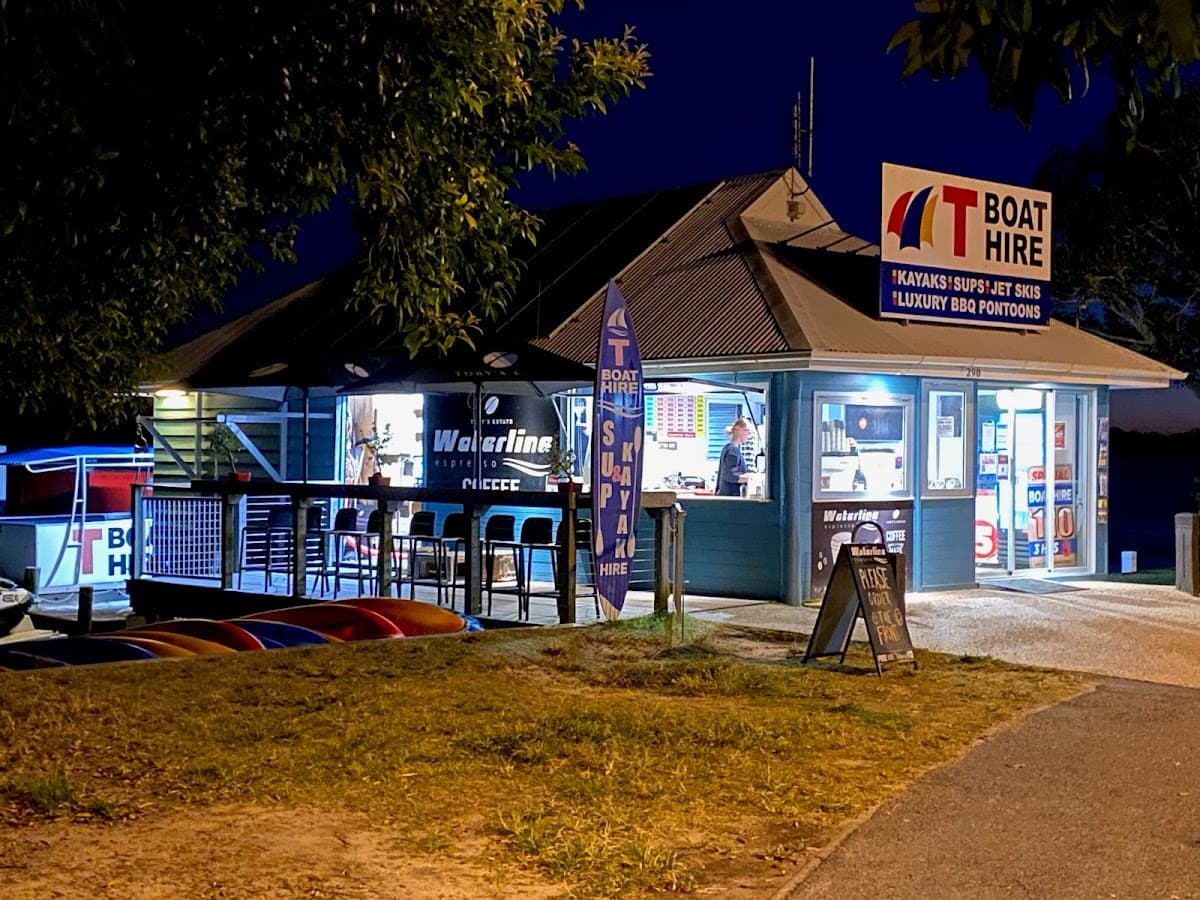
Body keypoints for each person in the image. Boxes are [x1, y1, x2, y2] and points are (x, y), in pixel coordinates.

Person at [716, 418, 751, 497]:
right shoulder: (733, 450)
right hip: (731, 497)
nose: (749, 436)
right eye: (747, 431)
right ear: (739, 430)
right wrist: (752, 478)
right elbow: (730, 476)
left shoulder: (727, 448)